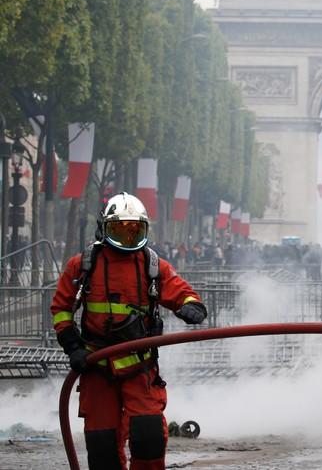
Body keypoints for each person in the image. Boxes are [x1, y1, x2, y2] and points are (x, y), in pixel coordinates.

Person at [50, 192, 207, 470]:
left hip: (139, 366)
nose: (128, 237)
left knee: (148, 435)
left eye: (135, 230)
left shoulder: (152, 265)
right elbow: (61, 307)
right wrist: (72, 345)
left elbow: (180, 290)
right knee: (102, 445)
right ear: (104, 228)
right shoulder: (84, 264)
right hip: (96, 365)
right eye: (119, 230)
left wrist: (191, 306)